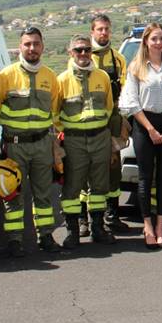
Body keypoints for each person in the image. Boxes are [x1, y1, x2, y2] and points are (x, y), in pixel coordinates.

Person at [0, 26, 61, 256]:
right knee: (14, 194)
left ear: (42, 46)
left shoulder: (50, 76)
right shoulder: (6, 76)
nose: (32, 48)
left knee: (43, 193)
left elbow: (53, 111)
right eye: (27, 44)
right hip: (15, 145)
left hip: (42, 144)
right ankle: (15, 239)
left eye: (36, 44)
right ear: (20, 47)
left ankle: (46, 236)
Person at [118, 23, 162, 249]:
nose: (159, 43)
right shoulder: (136, 68)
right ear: (146, 41)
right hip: (144, 126)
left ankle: (160, 227)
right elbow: (132, 103)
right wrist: (150, 129)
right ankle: (147, 226)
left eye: (161, 39)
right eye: (154, 38)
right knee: (145, 179)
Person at [55, 35, 119, 249]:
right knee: (73, 186)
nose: (83, 54)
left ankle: (98, 228)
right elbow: (54, 114)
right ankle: (73, 232)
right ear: (70, 52)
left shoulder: (102, 77)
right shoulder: (62, 80)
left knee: (100, 186)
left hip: (100, 137)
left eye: (86, 50)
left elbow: (109, 108)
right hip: (74, 141)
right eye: (79, 50)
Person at [88, 14, 129, 235]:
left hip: (113, 119)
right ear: (92, 32)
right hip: (91, 121)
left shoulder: (118, 58)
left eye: (107, 29)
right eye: (100, 29)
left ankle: (112, 216)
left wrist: (123, 120)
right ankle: (87, 220)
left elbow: (124, 90)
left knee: (114, 170)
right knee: (90, 171)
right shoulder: (83, 56)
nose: (104, 33)